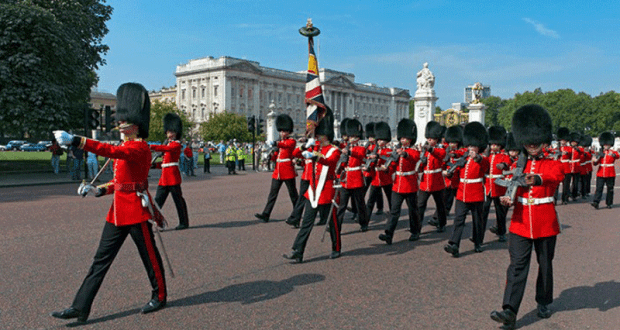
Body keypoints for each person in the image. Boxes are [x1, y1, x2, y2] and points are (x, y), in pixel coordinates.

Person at [51, 82, 167, 324]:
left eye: (125, 121)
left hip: (136, 210)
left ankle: (160, 295)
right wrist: (98, 189)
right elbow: (119, 182)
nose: (121, 124)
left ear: (136, 125)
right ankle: (80, 307)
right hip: (117, 212)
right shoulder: (126, 147)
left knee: (150, 258)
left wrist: (76, 140)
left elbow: (108, 152)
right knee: (100, 261)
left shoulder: (139, 148)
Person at [490, 104, 565, 329]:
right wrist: (508, 198)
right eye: (528, 142)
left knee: (544, 264)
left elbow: (556, 174)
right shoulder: (518, 165)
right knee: (517, 266)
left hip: (545, 222)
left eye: (536, 142)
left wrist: (537, 179)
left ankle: (543, 301)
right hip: (521, 222)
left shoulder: (551, 162)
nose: (532, 146)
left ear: (543, 141)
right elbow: (514, 186)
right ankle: (509, 311)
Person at [283, 106, 341, 262]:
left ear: (326, 135)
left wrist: (315, 155)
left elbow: (329, 162)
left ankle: (336, 247)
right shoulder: (314, 146)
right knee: (306, 223)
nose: (317, 137)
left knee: (333, 223)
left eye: (319, 135)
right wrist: (304, 145)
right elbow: (294, 154)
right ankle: (298, 251)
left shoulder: (334, 150)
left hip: (327, 191)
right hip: (313, 191)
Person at [444, 122, 489, 256]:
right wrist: (450, 174)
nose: (470, 148)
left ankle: (478, 242)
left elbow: (484, 164)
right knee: (458, 219)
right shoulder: (463, 158)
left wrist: (477, 157)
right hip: (462, 193)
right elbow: (457, 173)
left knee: (477, 221)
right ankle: (454, 244)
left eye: (473, 146)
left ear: (478, 147)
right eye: (469, 145)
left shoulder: (483, 158)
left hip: (476, 194)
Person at [378, 119, 422, 244]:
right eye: (401, 138)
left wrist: (404, 154)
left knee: (413, 210)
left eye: (405, 138)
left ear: (410, 139)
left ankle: (415, 231)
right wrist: (387, 169)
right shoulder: (396, 151)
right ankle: (388, 234)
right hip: (397, 185)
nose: (403, 140)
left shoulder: (413, 151)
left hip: (410, 185)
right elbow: (393, 166)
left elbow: (414, 158)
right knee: (394, 211)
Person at [255, 114, 299, 223]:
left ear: (288, 132)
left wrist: (276, 144)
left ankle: (296, 215)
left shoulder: (291, 141)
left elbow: (285, 145)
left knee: (293, 195)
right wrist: (271, 154)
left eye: (284, 131)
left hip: (288, 171)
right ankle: (266, 214)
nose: (282, 133)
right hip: (278, 172)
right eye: (281, 131)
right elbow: (276, 157)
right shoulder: (281, 143)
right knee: (272, 195)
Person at [151, 113, 190, 230]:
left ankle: (184, 222)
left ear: (176, 133)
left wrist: (150, 146)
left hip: (173, 177)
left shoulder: (176, 145)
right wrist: (153, 165)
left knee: (178, 202)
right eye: (168, 131)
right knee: (157, 202)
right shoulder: (167, 144)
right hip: (164, 178)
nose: (170, 134)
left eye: (172, 131)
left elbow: (167, 150)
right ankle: (157, 222)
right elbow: (165, 163)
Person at [336, 118, 370, 232]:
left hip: (356, 179)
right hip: (346, 180)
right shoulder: (345, 148)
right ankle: (337, 227)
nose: (351, 139)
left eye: (353, 137)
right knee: (342, 205)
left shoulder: (361, 148)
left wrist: (349, 152)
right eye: (350, 137)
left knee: (360, 204)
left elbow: (359, 156)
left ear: (357, 138)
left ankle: (363, 223)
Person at [482, 126, 512, 243]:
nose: (493, 146)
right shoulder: (487, 156)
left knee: (500, 213)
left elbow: (508, 163)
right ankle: (479, 235)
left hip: (498, 187)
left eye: (496, 145)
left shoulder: (504, 156)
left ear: (500, 145)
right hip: (487, 187)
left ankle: (501, 232)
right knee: (483, 212)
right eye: (492, 144)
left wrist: (503, 165)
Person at [416, 121, 448, 232]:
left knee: (440, 205)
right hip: (425, 182)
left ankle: (442, 223)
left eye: (432, 138)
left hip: (437, 181)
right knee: (420, 206)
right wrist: (420, 160)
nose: (429, 140)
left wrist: (429, 149)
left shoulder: (441, 149)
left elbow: (440, 155)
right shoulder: (424, 151)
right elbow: (420, 166)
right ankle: (417, 229)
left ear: (436, 139)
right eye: (428, 138)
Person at [365, 122, 394, 218]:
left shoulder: (389, 151)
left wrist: (378, 156)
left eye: (382, 140)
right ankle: (365, 221)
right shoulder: (375, 150)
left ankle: (393, 216)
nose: (379, 141)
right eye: (378, 139)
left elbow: (389, 160)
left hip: (386, 178)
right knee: (370, 201)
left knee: (391, 199)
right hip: (376, 179)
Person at [591, 131, 619, 209]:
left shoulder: (613, 152)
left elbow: (617, 156)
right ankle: (596, 202)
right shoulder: (600, 153)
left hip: (610, 173)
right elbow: (596, 163)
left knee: (610, 189)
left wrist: (613, 155)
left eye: (607, 144)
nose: (606, 145)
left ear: (610, 144)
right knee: (599, 188)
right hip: (601, 173)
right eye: (605, 144)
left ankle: (609, 203)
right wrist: (595, 160)